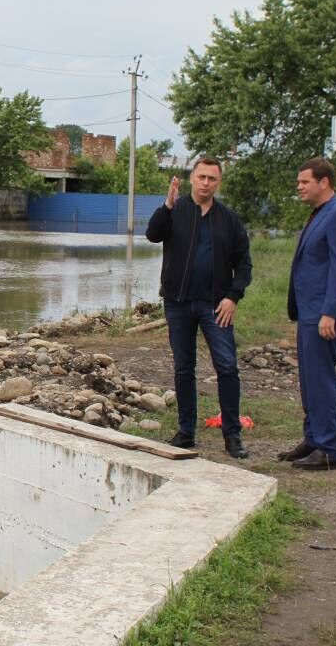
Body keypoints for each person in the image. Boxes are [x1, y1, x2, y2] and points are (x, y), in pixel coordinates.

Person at [146, 157, 252, 458]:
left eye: (212, 179)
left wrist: (233, 296)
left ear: (218, 183)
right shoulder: (175, 211)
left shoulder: (228, 219)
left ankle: (232, 435)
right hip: (178, 303)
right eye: (202, 177)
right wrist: (166, 206)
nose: (206, 183)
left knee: (227, 366)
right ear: (192, 178)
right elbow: (153, 235)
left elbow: (244, 264)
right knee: (184, 367)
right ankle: (186, 431)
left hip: (215, 305)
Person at [281, 157, 336, 471]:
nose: (299, 187)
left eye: (304, 182)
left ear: (323, 182)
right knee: (309, 380)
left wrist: (330, 312)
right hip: (309, 310)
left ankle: (329, 448)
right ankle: (313, 438)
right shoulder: (319, 214)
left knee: (321, 380)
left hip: (323, 313)